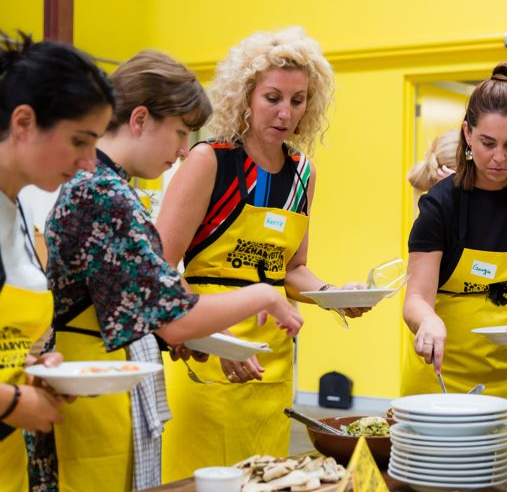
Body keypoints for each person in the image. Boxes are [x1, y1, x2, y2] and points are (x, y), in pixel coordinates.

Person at [39, 50, 303, 492]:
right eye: (180, 132)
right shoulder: (104, 193)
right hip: (91, 396)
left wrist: (189, 335)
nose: (184, 149)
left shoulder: (109, 188)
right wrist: (264, 295)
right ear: (140, 119)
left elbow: (139, 306)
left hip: (105, 388)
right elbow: (175, 317)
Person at [155, 27, 368, 479]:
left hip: (271, 365)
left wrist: (333, 294)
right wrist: (213, 339)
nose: (286, 112)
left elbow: (292, 269)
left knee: (268, 481)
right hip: (206, 356)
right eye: (273, 97)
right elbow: (157, 271)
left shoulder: (302, 174)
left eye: (298, 99)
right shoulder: (209, 161)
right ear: (245, 95)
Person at [401, 62, 507, 407]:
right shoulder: (441, 204)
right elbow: (415, 299)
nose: (499, 158)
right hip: (441, 376)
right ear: (467, 134)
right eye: (488, 143)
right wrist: (428, 321)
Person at [0, 31, 114, 491]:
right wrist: (9, 403)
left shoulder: (17, 208)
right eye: (79, 141)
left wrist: (31, 369)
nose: (89, 162)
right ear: (24, 121)